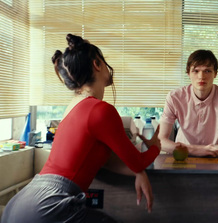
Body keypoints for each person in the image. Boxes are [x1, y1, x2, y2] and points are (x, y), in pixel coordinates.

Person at [1, 34, 161, 223]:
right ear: (97, 64)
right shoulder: (101, 110)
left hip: (24, 202)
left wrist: (138, 171)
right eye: (104, 60)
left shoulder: (73, 106)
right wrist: (155, 146)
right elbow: (139, 161)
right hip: (50, 204)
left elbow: (108, 162)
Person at [159, 49, 218, 157]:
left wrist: (209, 150)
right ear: (188, 73)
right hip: (182, 155)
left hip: (214, 155)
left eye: (207, 71)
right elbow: (160, 141)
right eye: (196, 71)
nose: (201, 76)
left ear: (215, 73)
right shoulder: (174, 97)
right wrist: (195, 150)